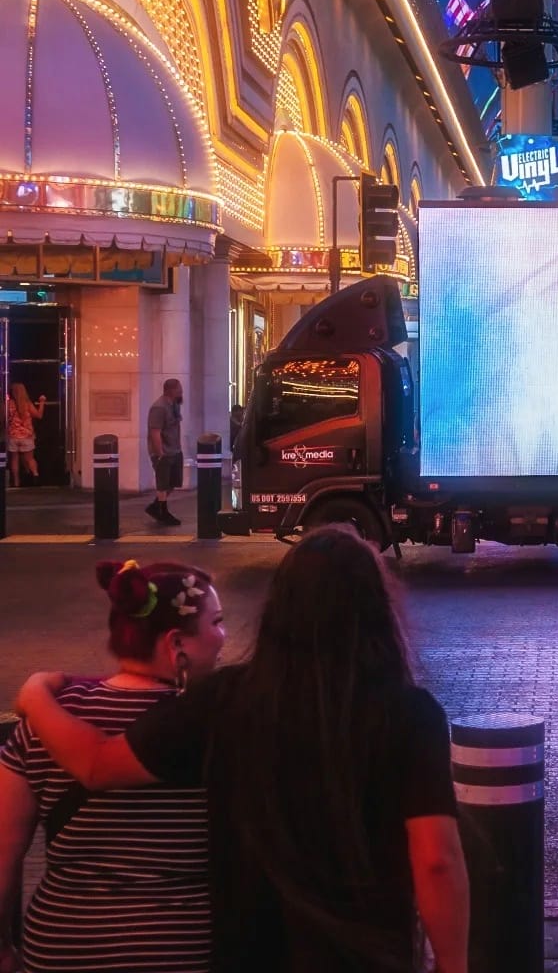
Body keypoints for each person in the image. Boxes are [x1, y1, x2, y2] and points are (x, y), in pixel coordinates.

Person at [15, 525, 470, 973]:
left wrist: (36, 696)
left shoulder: (226, 699)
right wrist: (452, 962)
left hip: (249, 952)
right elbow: (436, 861)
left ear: (280, 608)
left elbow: (96, 765)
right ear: (377, 610)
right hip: (371, 953)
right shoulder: (412, 714)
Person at [0, 559, 225, 973]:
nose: (224, 635)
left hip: (61, 948)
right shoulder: (209, 723)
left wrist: (2, 947)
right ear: (177, 645)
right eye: (218, 622)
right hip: (180, 950)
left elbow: (4, 852)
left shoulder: (51, 716)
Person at [146, 378, 185, 527]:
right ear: (170, 390)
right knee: (162, 484)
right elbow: (155, 432)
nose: (181, 391)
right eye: (178, 389)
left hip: (175, 450)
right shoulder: (159, 408)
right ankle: (162, 512)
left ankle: (156, 507)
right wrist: (160, 453)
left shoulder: (174, 405)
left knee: (172, 482)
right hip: (164, 452)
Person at [6, 382, 47, 487]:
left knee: (14, 459)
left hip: (13, 436)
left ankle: (16, 482)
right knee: (30, 459)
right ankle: (35, 475)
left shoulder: (8, 404)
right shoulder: (27, 404)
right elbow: (39, 415)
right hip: (27, 436)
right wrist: (42, 402)